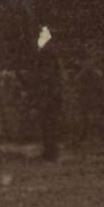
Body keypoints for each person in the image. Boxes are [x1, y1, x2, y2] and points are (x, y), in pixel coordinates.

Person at [33, 25, 63, 161]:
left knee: (48, 124)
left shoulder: (46, 52)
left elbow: (47, 74)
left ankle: (50, 152)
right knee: (50, 124)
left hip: (49, 94)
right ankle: (50, 151)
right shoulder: (51, 52)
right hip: (51, 93)